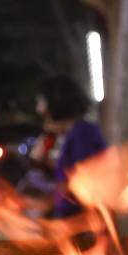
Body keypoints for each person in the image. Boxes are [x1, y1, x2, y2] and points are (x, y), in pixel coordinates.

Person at [36, 74, 107, 217]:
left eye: (40, 101)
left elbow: (83, 181)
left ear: (54, 101)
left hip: (81, 221)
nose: (38, 109)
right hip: (72, 217)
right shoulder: (72, 133)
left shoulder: (83, 132)